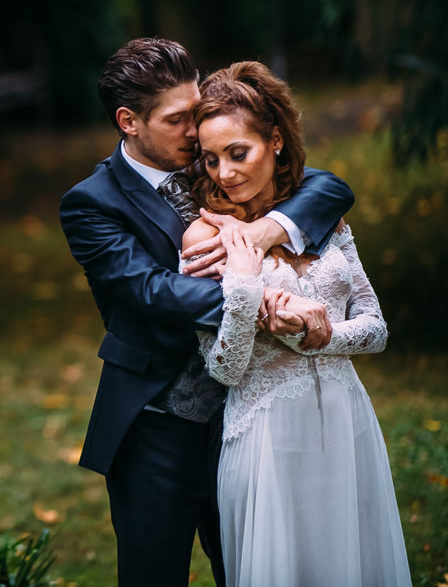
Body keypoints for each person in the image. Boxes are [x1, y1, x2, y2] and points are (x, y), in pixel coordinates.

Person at [58, 38, 354, 587]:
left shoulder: (217, 156)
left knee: (251, 571)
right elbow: (153, 291)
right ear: (128, 121)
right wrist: (264, 301)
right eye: (176, 120)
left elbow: (329, 188)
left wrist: (266, 230)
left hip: (243, 417)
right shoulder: (92, 203)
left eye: (194, 113)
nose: (194, 133)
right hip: (156, 428)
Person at [183, 61, 410, 586]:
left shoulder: (320, 217)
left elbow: (375, 327)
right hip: (267, 437)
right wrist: (244, 287)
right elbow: (224, 368)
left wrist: (319, 336)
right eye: (211, 159)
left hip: (348, 421)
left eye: (238, 153)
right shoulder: (206, 239)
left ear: (276, 141)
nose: (225, 173)